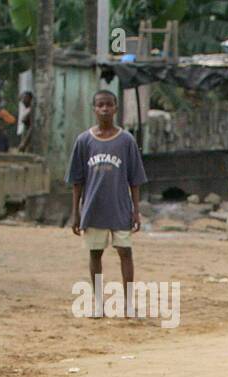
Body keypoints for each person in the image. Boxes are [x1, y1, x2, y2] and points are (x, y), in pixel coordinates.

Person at [67, 90, 147, 319]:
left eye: (109, 105)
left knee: (125, 252)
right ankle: (99, 303)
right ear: (94, 108)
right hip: (93, 208)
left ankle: (129, 304)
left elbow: (135, 180)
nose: (104, 109)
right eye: (100, 105)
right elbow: (77, 180)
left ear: (116, 108)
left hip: (120, 207)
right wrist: (76, 212)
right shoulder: (84, 141)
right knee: (95, 254)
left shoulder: (126, 141)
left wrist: (136, 211)